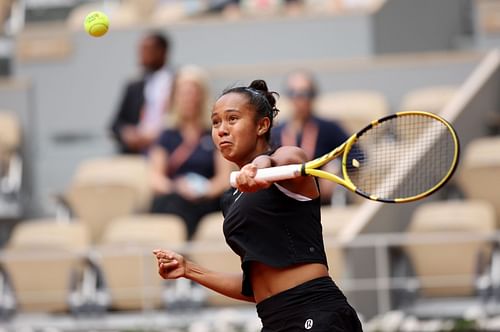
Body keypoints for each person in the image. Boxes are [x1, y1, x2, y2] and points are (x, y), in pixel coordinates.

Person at [153, 79, 363, 331]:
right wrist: (189, 270)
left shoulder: (286, 162)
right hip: (273, 319)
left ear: (262, 125)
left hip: (315, 311)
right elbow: (255, 286)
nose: (221, 130)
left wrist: (259, 168)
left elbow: (285, 160)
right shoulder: (231, 198)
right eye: (215, 122)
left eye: (232, 119)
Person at [149, 65, 232, 240]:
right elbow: (156, 178)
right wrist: (177, 188)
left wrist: (203, 190)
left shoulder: (215, 132)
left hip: (207, 198)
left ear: (201, 96)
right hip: (174, 196)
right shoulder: (167, 135)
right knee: (172, 204)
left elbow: (224, 178)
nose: (188, 98)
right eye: (183, 93)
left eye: (193, 92)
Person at [272, 69, 349, 205]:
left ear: (313, 96)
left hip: (321, 199)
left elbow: (359, 156)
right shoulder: (275, 132)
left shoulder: (329, 128)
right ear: (288, 97)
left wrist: (336, 168)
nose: (300, 99)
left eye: (306, 94)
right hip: (284, 201)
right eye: (294, 93)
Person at [110, 32, 174, 154]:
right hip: (135, 153)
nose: (142, 55)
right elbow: (116, 124)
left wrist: (160, 134)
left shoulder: (178, 81)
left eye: (147, 50)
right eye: (140, 50)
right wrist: (127, 133)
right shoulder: (134, 85)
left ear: (163, 51)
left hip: (169, 151)